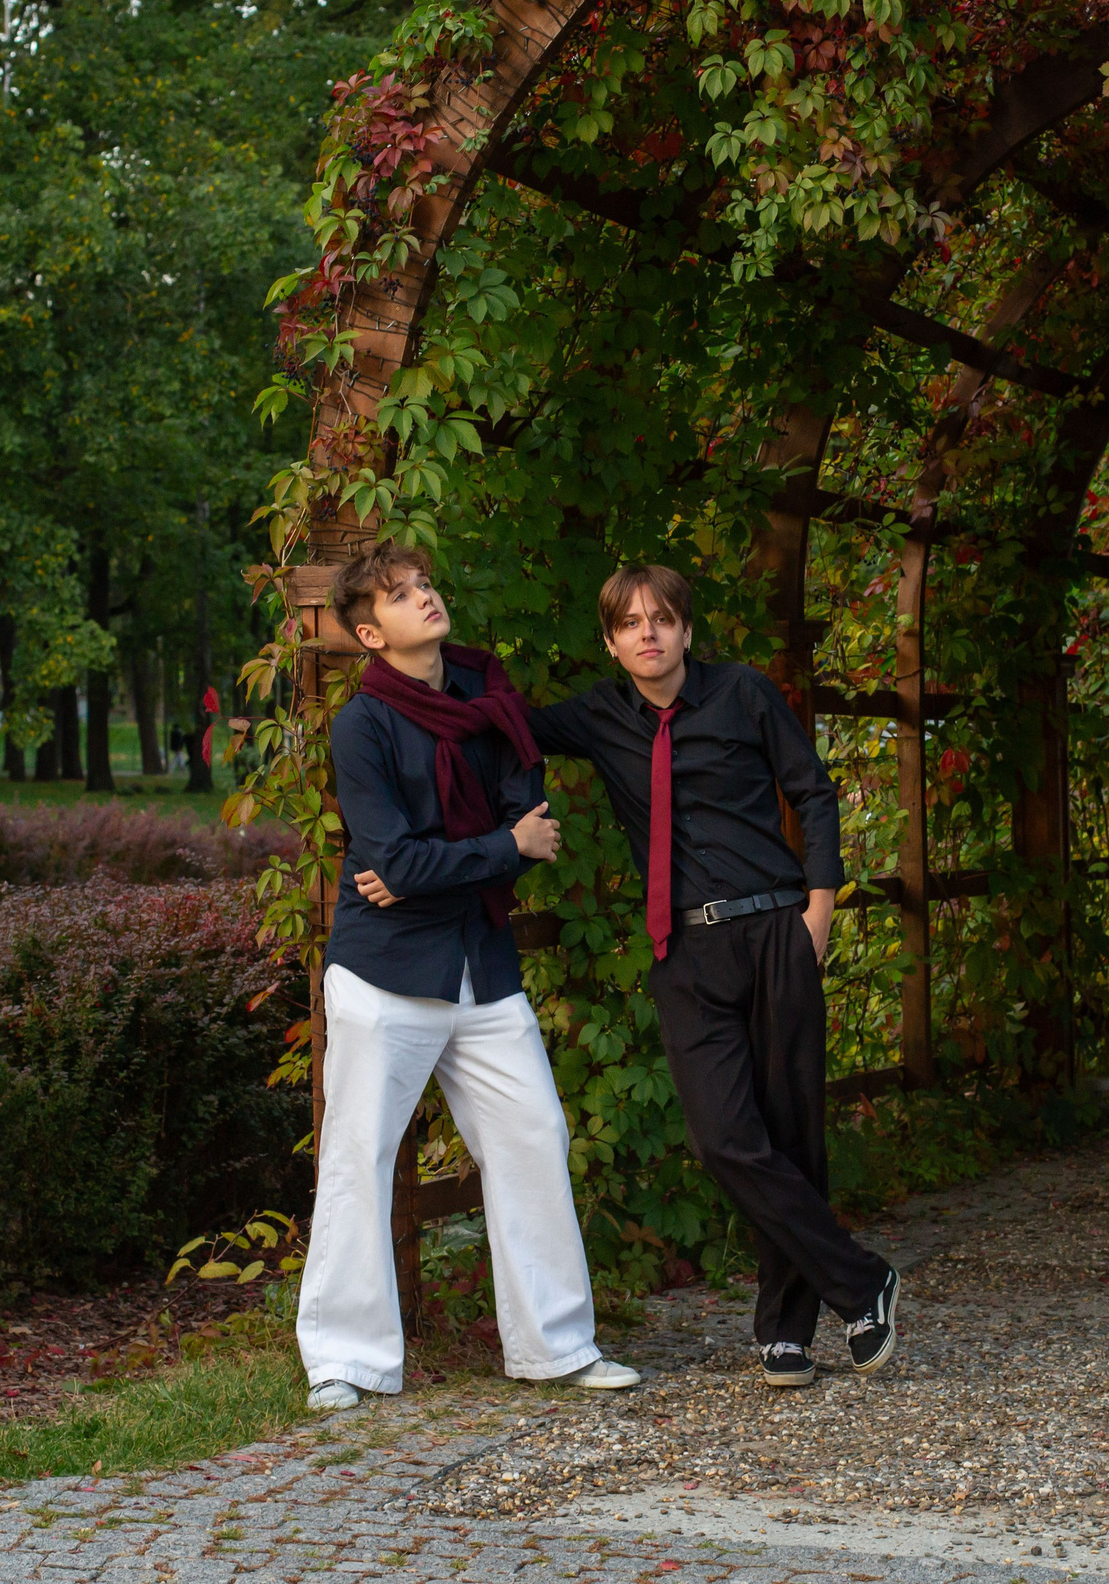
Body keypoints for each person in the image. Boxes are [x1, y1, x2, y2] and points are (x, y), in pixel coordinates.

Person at [358, 563, 898, 1389]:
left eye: (663, 619)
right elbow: (485, 728)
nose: (649, 634)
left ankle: (785, 1332)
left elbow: (814, 793)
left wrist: (817, 914)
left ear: (686, 629)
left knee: (791, 1133)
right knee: (725, 1139)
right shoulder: (595, 717)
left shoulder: (745, 694)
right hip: (682, 952)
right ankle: (862, 1282)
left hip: (773, 929)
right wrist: (406, 861)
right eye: (631, 624)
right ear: (610, 642)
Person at [300, 540, 640, 1412]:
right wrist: (487, 851)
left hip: (481, 967)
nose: (426, 598)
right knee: (359, 1156)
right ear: (373, 636)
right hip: (385, 973)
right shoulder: (363, 725)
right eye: (402, 596)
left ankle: (555, 1347)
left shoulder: (493, 703)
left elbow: (526, 829)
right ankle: (345, 1360)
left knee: (533, 1137)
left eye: (424, 585)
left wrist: (448, 861)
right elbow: (393, 857)